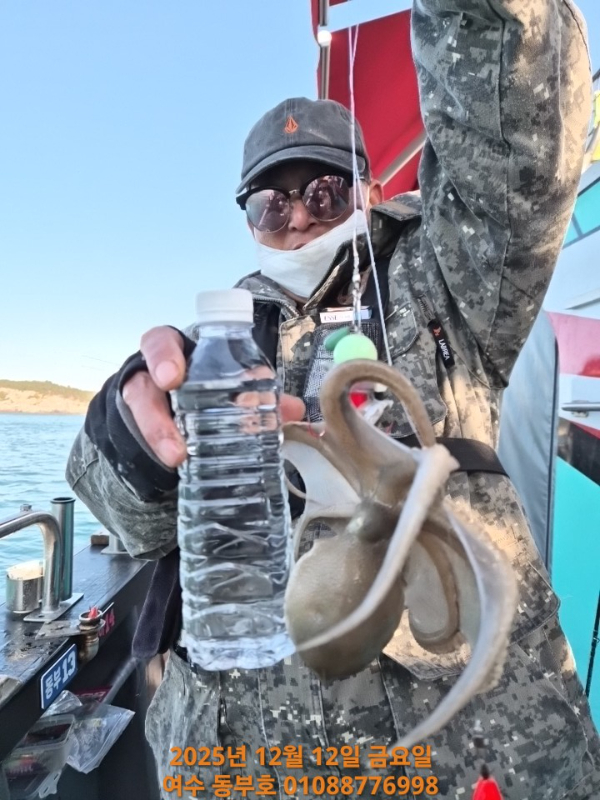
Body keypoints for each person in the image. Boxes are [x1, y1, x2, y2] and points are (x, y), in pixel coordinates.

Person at [66, 0, 600, 797]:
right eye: (270, 204)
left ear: (368, 188)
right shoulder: (203, 352)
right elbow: (131, 521)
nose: (297, 218)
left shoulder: (451, 285)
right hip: (242, 766)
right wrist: (129, 441)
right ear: (249, 221)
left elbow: (514, 141)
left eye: (323, 191)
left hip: (452, 754)